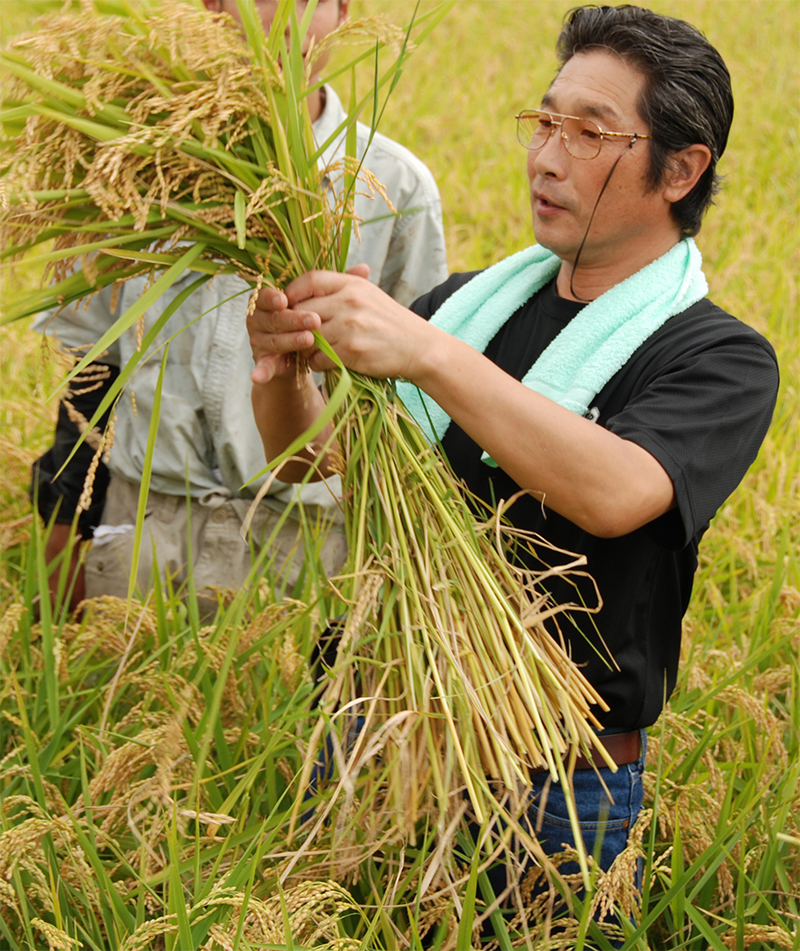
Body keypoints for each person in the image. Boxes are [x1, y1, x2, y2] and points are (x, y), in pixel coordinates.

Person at [246, 2, 779, 929]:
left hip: (554, 791)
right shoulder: (470, 309)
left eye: (590, 132)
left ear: (681, 168)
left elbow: (616, 490)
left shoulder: (717, 357)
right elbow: (312, 460)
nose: (546, 155)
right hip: (375, 737)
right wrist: (282, 367)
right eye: (545, 122)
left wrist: (426, 355)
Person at [32, 0, 448, 615]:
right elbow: (90, 382)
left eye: (308, 1)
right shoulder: (139, 167)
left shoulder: (394, 187)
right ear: (210, 9)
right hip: (144, 532)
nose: (279, 21)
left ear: (343, 13)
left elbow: (415, 409)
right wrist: (62, 554)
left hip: (307, 548)